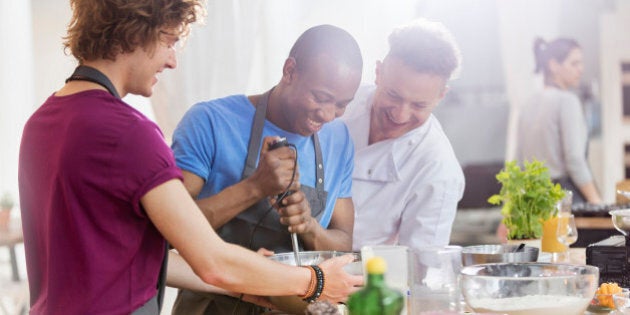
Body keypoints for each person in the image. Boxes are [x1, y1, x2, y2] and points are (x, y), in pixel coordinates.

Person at [17, 1, 362, 314]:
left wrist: (245, 290)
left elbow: (146, 256)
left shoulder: (41, 122)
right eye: (168, 41)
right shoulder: (131, 134)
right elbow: (212, 259)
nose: (171, 60)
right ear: (135, 33)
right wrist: (313, 280)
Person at [170, 24, 363, 314]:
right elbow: (171, 226)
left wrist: (308, 225)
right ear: (289, 70)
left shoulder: (338, 140)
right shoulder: (210, 121)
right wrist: (254, 188)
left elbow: (343, 243)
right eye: (320, 98)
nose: (327, 115)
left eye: (341, 106)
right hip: (212, 306)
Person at [341, 19, 464, 253]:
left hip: (363, 277)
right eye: (393, 95)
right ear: (378, 73)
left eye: (418, 105)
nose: (400, 114)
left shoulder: (438, 169)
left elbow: (421, 267)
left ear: (441, 96)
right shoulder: (340, 104)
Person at [515, 37, 602, 204]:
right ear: (554, 65)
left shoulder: (527, 104)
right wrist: (596, 201)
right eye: (574, 63)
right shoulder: (567, 101)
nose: (581, 70)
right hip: (562, 199)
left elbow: (519, 161)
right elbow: (574, 159)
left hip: (532, 201)